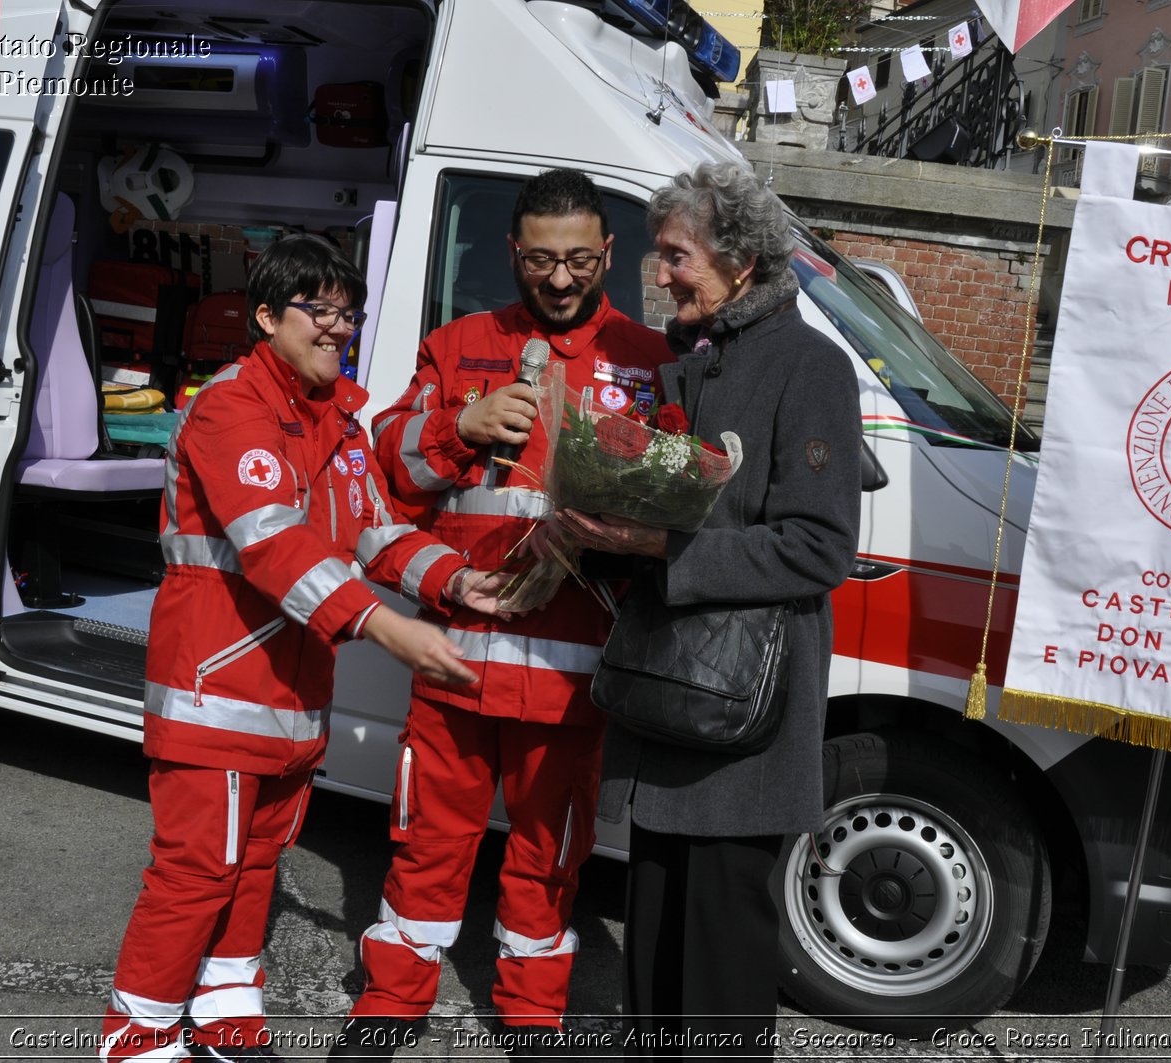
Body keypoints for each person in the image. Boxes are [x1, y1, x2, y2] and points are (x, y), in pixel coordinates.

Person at [101, 234, 509, 1063]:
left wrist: (455, 582)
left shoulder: (338, 418)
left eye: (346, 311)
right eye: (316, 309)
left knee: (255, 868)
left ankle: (226, 1025)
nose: (337, 326)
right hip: (215, 690)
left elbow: (376, 531)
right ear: (263, 317)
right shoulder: (230, 407)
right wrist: (386, 626)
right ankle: (134, 1042)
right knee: (195, 875)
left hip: (289, 702)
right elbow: (273, 542)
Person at [338, 169, 672, 1056]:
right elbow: (385, 484)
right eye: (537, 261)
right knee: (424, 848)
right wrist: (463, 426)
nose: (557, 281)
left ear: (608, 252)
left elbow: (679, 514)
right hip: (454, 657)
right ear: (512, 253)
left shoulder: (651, 359)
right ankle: (390, 1005)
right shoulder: (456, 346)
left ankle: (531, 1021)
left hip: (570, 680)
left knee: (549, 864)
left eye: (575, 261)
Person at [559, 162, 865, 1057]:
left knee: (720, 983)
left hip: (742, 730)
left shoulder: (810, 366)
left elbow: (819, 546)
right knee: (654, 974)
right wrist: (598, 530)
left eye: (675, 255)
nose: (658, 275)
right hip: (672, 709)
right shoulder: (696, 363)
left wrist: (661, 548)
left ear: (739, 260)